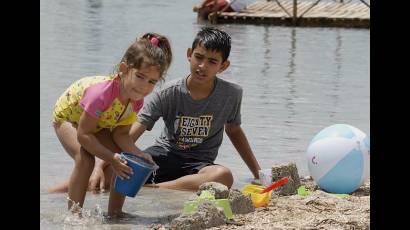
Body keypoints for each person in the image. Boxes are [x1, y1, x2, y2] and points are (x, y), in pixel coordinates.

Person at [48, 32, 172, 217]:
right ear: (123, 68)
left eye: (152, 81)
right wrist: (111, 158)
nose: (145, 86)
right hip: (68, 117)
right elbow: (84, 135)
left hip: (98, 123)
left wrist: (139, 154)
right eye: (140, 76)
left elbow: (120, 134)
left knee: (127, 159)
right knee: (85, 159)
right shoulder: (101, 94)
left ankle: (115, 213)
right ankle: (74, 216)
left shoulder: (136, 100)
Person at [128, 27, 261, 192]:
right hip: (163, 156)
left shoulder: (231, 94)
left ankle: (153, 189)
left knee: (224, 176)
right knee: (119, 168)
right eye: (198, 57)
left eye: (212, 61)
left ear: (223, 66)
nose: (202, 66)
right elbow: (133, 132)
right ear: (189, 54)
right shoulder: (168, 92)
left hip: (199, 165)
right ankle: (160, 187)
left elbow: (234, 131)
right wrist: (104, 163)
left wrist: (258, 174)